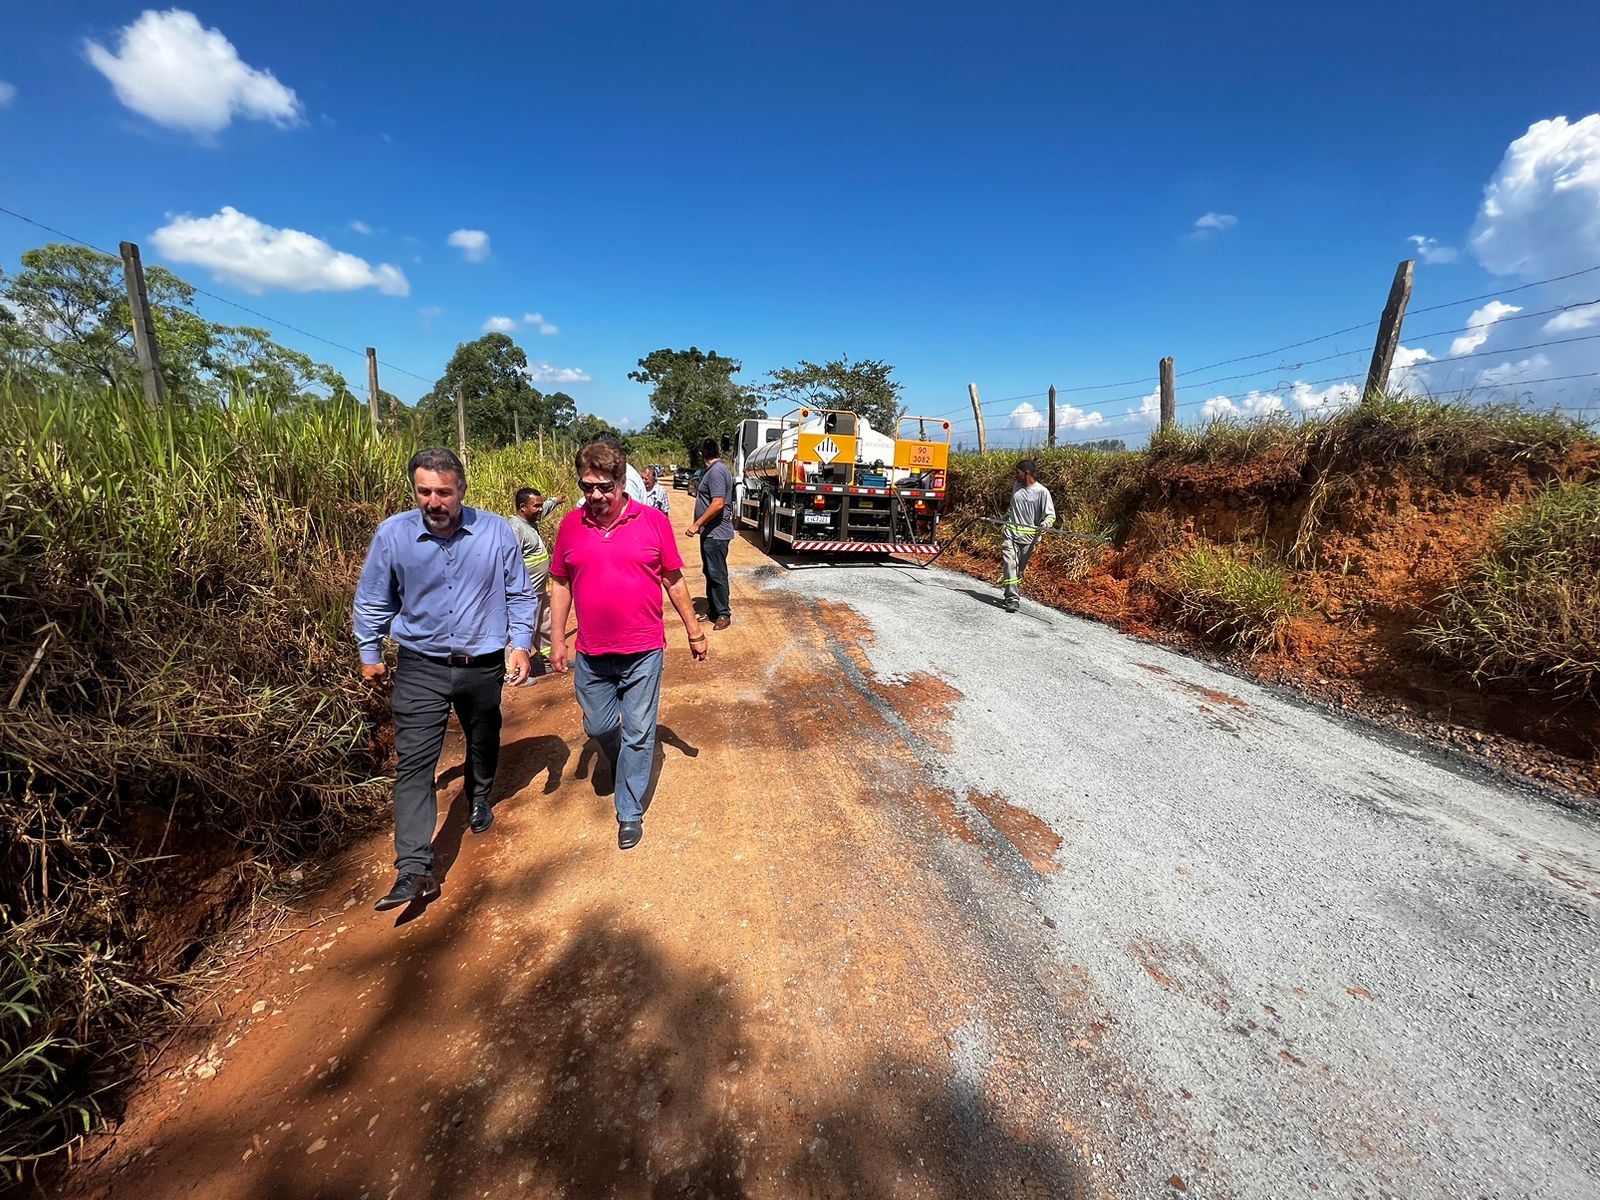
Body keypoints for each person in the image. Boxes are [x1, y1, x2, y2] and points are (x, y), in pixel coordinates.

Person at [354, 448, 537, 911]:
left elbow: (519, 593)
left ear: (462, 490)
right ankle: (414, 869)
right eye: (424, 492)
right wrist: (369, 651)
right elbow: (373, 597)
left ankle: (479, 795)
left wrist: (520, 644)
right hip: (421, 665)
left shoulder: (495, 531)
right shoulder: (393, 535)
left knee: (483, 735)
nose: (433, 502)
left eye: (443, 492)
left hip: (483, 664)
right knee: (415, 764)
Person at [548, 440, 707, 850]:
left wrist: (694, 631)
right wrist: (557, 640)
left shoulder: (652, 521)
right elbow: (561, 583)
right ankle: (617, 754)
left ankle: (630, 811)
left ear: (622, 482)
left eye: (605, 487)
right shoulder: (570, 526)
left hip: (643, 650)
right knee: (599, 726)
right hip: (592, 652)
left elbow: (673, 580)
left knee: (638, 731)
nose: (596, 496)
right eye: (587, 487)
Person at [684, 437, 735, 630]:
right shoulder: (714, 470)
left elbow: (718, 503)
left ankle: (723, 613)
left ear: (701, 454)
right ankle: (714, 609)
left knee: (717, 573)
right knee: (709, 571)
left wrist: (697, 524)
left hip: (717, 533)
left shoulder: (717, 471)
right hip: (710, 532)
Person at [999, 458, 1057, 614]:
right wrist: (1004, 518)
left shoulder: (1042, 492)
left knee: (1018, 570)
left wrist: (1045, 524)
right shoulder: (1016, 487)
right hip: (1011, 534)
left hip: (1028, 539)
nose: (1015, 475)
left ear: (1027, 473)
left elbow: (1050, 515)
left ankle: (1011, 592)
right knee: (1010, 564)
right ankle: (1013, 598)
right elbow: (1013, 508)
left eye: (1017, 472)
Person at [510, 486, 556, 676]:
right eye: (536, 506)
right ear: (523, 508)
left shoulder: (531, 521)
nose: (540, 509)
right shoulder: (515, 528)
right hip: (526, 593)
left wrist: (555, 501)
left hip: (539, 590)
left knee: (545, 625)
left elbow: (545, 509)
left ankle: (550, 658)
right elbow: (510, 561)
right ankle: (514, 671)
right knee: (524, 628)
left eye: (541, 505)